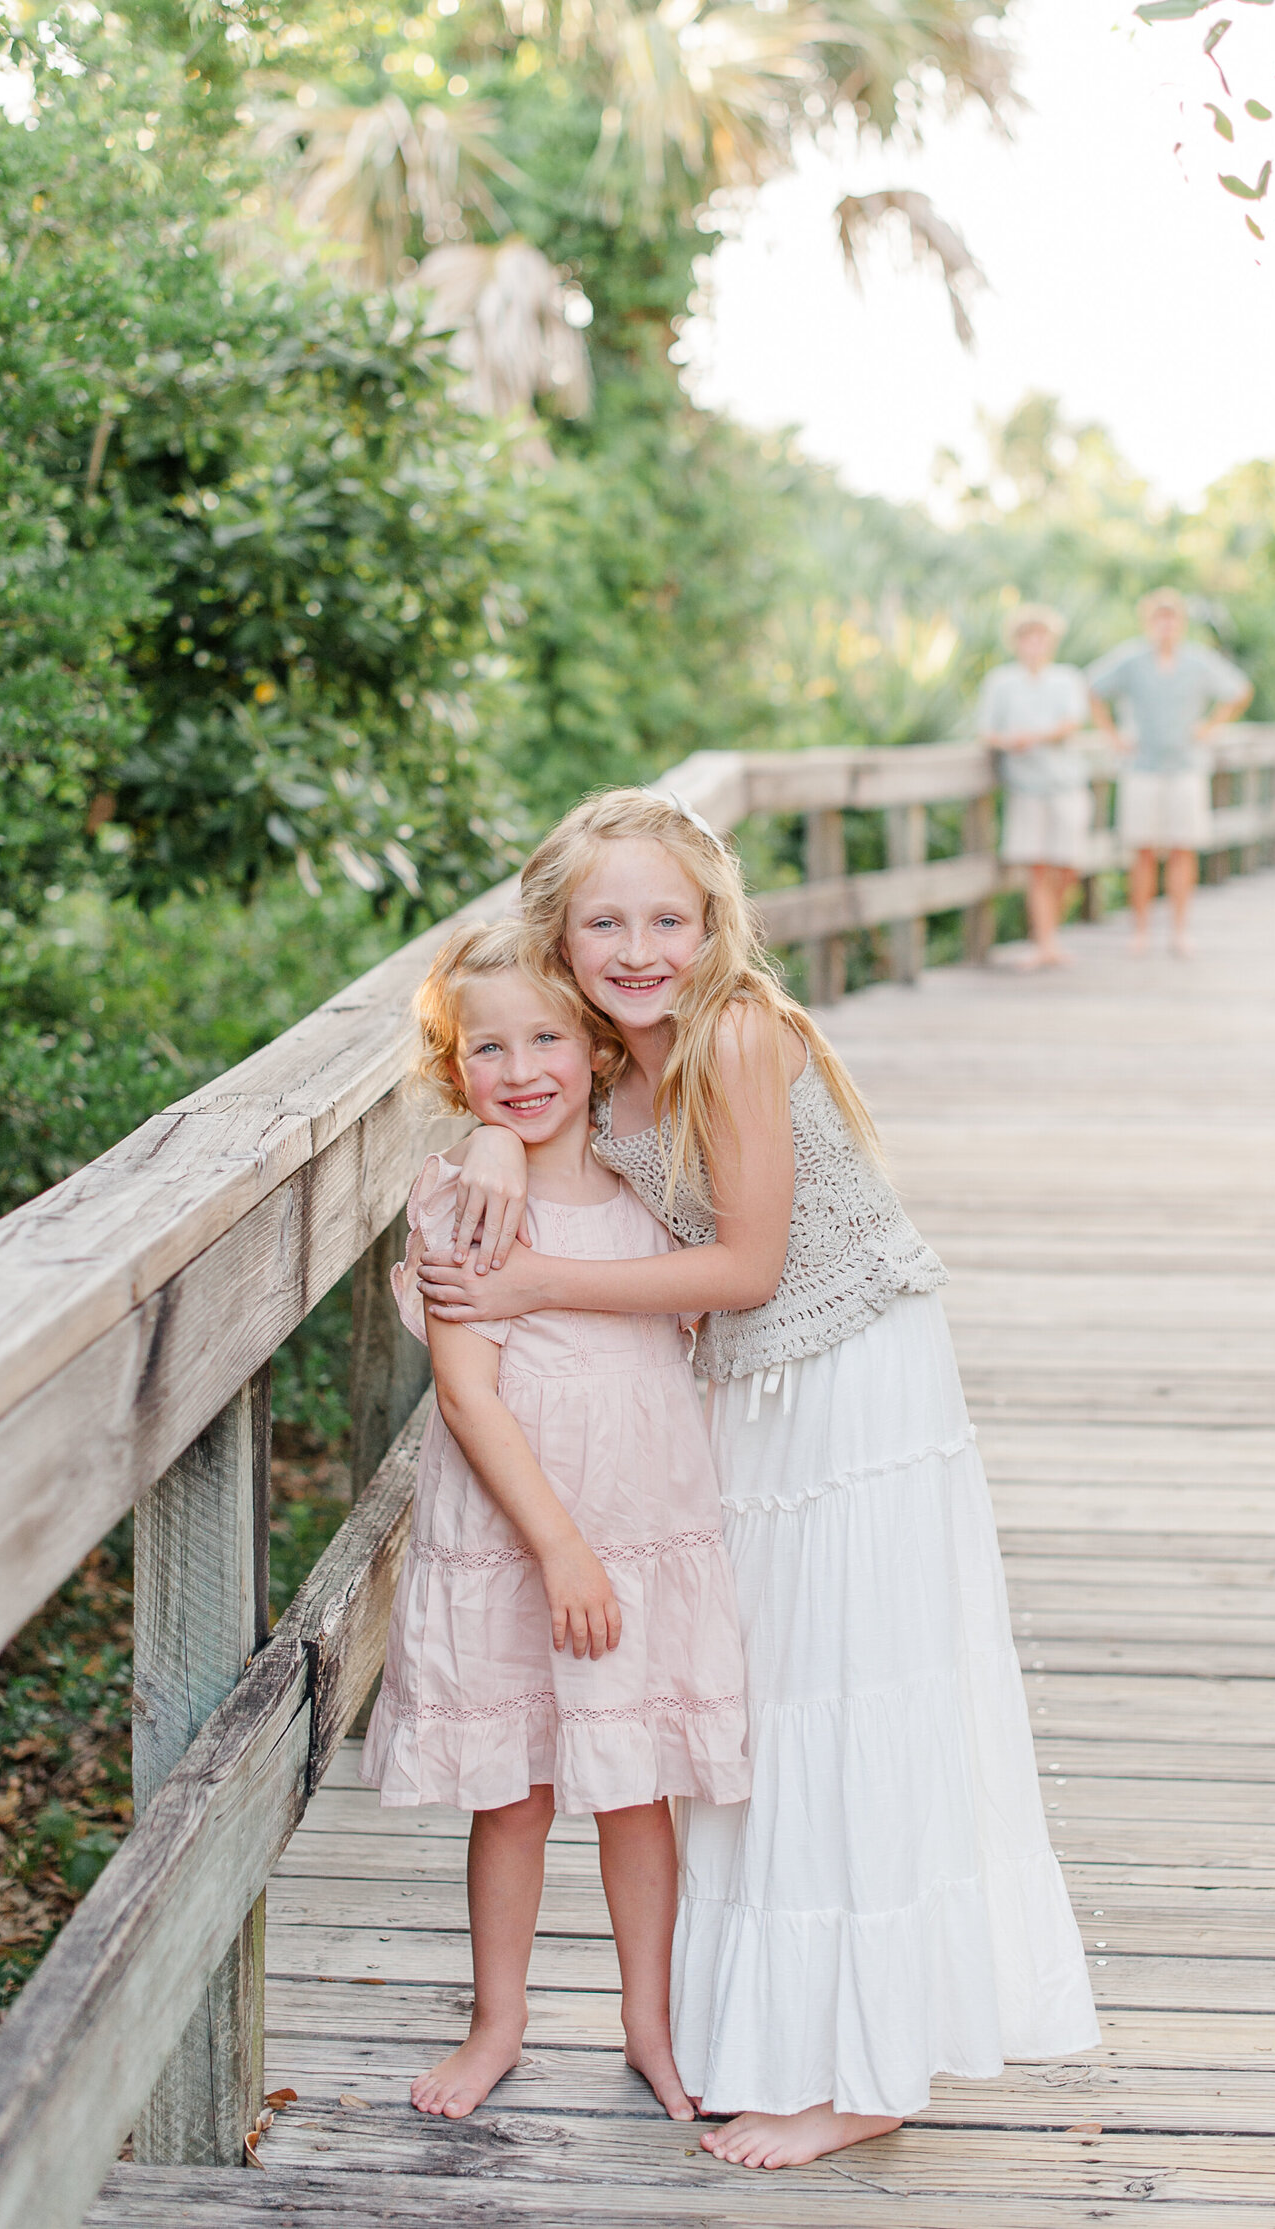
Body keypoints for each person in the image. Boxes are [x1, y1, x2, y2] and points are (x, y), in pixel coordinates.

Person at [417, 789, 1098, 2172]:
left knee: (850, 1695)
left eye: (670, 915)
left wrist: (540, 1279)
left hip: (852, 1380)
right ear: (560, 935)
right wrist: (491, 1134)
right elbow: (516, 1095)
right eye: (605, 921)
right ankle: (773, 2021)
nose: (641, 943)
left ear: (715, 920)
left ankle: (874, 2071)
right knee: (768, 1705)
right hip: (751, 1394)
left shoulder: (734, 1033)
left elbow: (748, 1271)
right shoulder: (606, 1055)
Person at [360, 917, 751, 2125]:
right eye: (487, 1051)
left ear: (593, 1048)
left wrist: (601, 1543)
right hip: (518, 1533)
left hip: (644, 1520)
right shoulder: (465, 1201)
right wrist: (559, 1547)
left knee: (640, 1782)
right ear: (452, 1067)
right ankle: (499, 2018)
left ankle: (651, 2020)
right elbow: (467, 1394)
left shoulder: (653, 1174)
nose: (520, 1070)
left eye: (545, 1040)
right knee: (514, 1788)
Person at [1087, 588, 1252, 957]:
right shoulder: (1130, 660)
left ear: (1181, 623)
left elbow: (1239, 690)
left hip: (1185, 768)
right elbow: (1090, 689)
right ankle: (1141, 931)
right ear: (1148, 623)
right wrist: (1112, 736)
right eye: (1158, 618)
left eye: (1172, 618)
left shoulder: (1198, 661)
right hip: (1141, 767)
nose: (1165, 625)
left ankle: (1180, 931)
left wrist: (1210, 728)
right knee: (1141, 851)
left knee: (1183, 849)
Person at [976, 602, 1092, 969]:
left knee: (1069, 865)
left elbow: (1072, 723)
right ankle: (1045, 944)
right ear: (1017, 642)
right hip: (1025, 787)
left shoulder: (1067, 678)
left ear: (1051, 642)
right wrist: (1010, 741)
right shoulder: (1000, 681)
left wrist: (1035, 737)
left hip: (1065, 784)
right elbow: (986, 732)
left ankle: (1050, 934)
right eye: (1028, 638)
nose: (1034, 645)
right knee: (1037, 868)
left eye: (1041, 638)